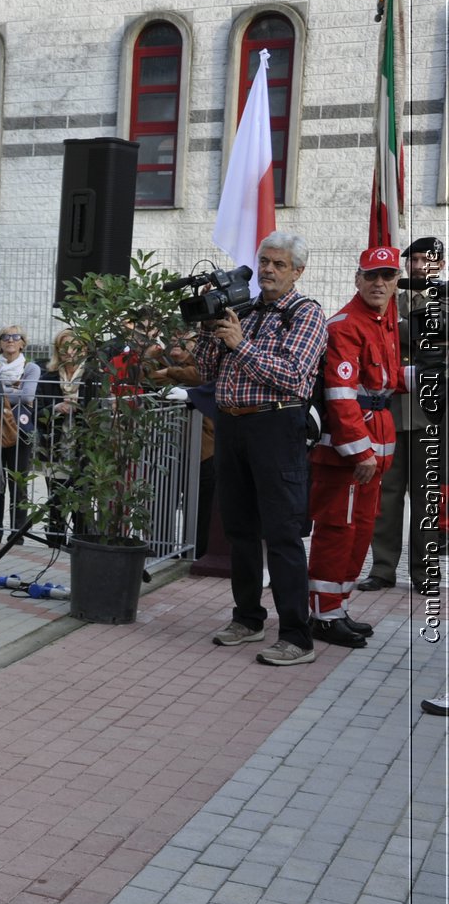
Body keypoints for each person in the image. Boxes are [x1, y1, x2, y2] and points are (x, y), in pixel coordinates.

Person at [193, 231, 327, 666]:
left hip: (276, 426)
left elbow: (293, 376)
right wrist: (212, 334)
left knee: (283, 534)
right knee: (239, 530)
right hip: (233, 425)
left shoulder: (306, 314)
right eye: (264, 261)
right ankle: (248, 619)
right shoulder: (244, 312)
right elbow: (206, 370)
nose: (268, 270)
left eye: (279, 264)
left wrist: (239, 344)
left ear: (297, 272)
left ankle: (296, 636)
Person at [305, 246, 404, 646]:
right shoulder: (346, 324)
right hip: (348, 452)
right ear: (357, 279)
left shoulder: (384, 322)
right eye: (372, 275)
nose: (379, 283)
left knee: (360, 531)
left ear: (397, 282)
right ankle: (322, 614)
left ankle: (338, 607)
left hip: (376, 445)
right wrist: (360, 450)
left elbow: (387, 382)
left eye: (388, 276)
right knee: (337, 530)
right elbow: (341, 394)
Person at [358, 235, 442, 596]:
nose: (421, 265)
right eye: (415, 259)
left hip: (430, 412)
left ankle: (425, 572)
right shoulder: (390, 298)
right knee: (387, 493)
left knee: (426, 495)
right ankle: (382, 569)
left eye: (429, 260)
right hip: (390, 409)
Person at [146, 331, 215, 558]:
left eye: (185, 342)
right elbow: (150, 377)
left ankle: (195, 552)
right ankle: (162, 549)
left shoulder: (207, 360)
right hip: (170, 447)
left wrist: (171, 372)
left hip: (205, 449)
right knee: (165, 499)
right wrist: (173, 373)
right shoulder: (161, 360)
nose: (178, 345)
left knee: (199, 506)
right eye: (174, 340)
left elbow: (204, 377)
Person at [0, 324, 39, 533]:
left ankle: (17, 534)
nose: (10, 340)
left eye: (15, 336)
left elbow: (28, 396)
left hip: (20, 431)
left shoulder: (30, 367)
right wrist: (13, 389)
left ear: (22, 343)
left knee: (18, 484)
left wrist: (1, 392)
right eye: (5, 337)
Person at [37, 328, 84, 543]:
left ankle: (81, 546)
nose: (69, 351)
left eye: (74, 346)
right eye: (64, 347)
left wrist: (79, 407)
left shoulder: (92, 377)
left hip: (84, 449)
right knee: (56, 501)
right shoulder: (48, 377)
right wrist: (56, 408)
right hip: (55, 447)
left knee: (82, 503)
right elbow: (37, 410)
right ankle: (54, 544)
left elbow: (101, 409)